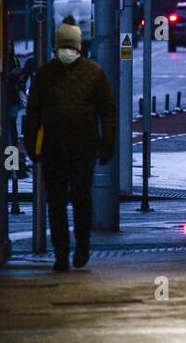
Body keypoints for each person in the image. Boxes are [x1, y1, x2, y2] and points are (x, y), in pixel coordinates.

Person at [22, 20, 118, 271]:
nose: (65, 51)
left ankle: (81, 248)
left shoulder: (93, 73)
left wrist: (107, 143)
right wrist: (32, 145)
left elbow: (107, 111)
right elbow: (33, 113)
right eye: (62, 46)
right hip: (54, 149)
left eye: (69, 46)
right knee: (57, 202)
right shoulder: (45, 74)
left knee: (79, 198)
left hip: (83, 148)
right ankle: (62, 254)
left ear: (78, 46)